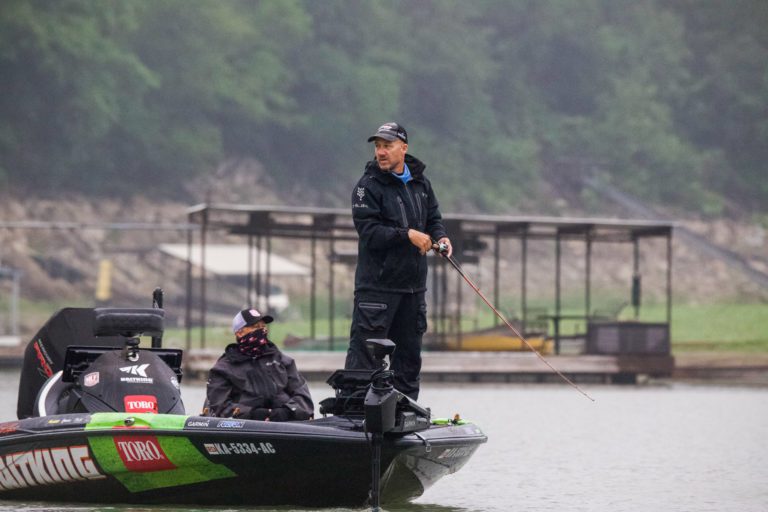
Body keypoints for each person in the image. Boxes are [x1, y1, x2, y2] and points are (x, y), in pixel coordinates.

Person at [345, 122, 452, 401]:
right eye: (377, 146)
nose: (381, 152)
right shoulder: (366, 187)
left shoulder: (421, 183)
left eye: (387, 146)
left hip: (413, 290)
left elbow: (434, 219)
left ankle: (404, 416)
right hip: (376, 291)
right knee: (365, 359)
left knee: (409, 362)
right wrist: (408, 236)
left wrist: (441, 238)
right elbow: (369, 233)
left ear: (403, 148)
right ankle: (354, 419)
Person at [205, 308, 314, 421]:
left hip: (285, 425)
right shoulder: (223, 369)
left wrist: (287, 412)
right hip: (244, 427)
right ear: (239, 332)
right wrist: (254, 414)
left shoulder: (283, 361)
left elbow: (303, 398)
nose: (262, 330)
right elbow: (220, 407)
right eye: (256, 327)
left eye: (263, 326)